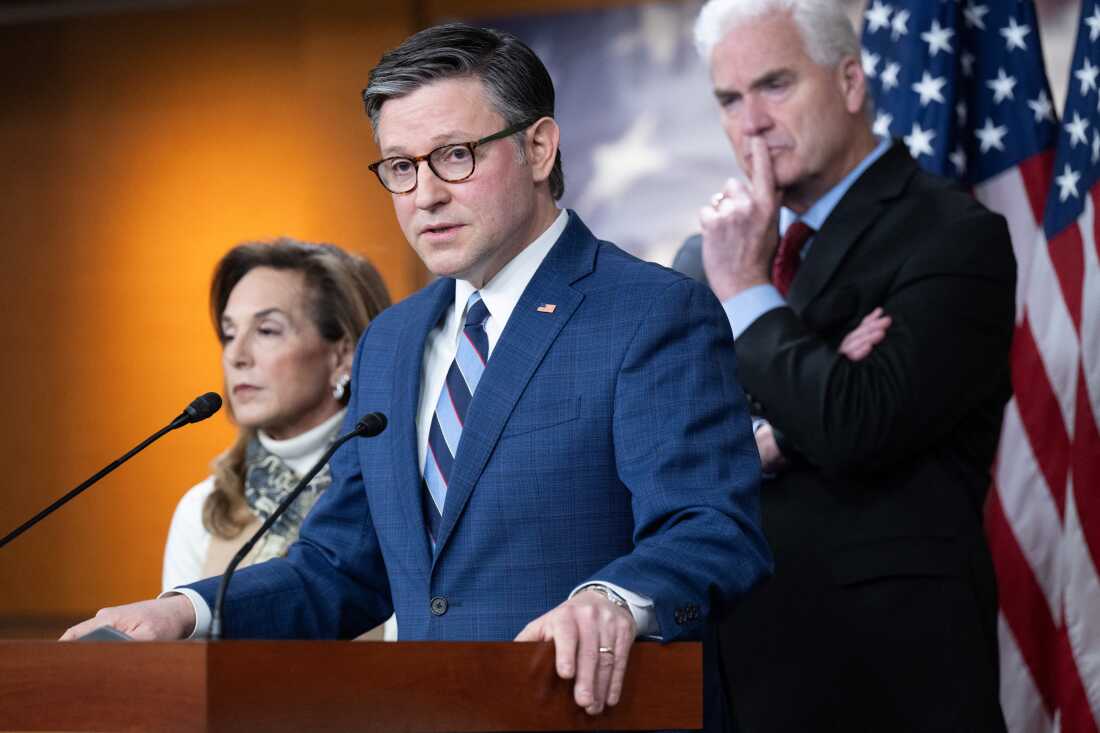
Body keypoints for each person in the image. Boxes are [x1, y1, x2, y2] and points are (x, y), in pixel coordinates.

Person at [63, 23, 772, 729]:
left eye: (454, 156)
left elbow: (712, 526)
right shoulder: (393, 342)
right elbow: (341, 567)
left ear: (538, 146)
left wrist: (616, 598)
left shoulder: (650, 310)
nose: (424, 194)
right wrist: (186, 610)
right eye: (400, 167)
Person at [683, 0, 1015, 730]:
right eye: (730, 100)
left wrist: (745, 294)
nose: (753, 123)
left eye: (775, 85)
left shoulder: (953, 235)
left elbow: (854, 421)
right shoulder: (702, 257)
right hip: (732, 683)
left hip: (891, 686)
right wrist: (788, 417)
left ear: (852, 81)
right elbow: (673, 454)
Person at [161, 238, 394, 638]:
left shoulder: (397, 498)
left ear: (343, 355)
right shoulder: (203, 508)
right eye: (229, 333)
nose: (237, 355)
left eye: (267, 330)